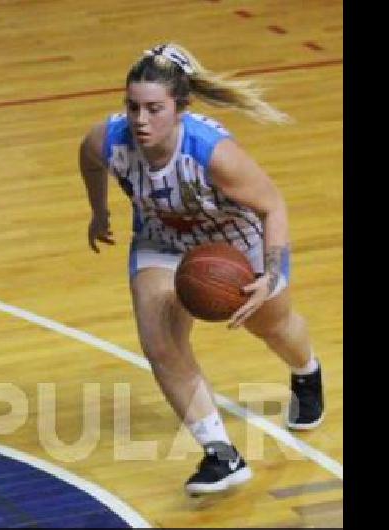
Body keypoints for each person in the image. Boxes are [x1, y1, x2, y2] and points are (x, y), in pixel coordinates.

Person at [78, 43, 324, 495]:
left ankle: (307, 371)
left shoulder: (212, 152)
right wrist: (99, 213)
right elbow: (89, 159)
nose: (140, 120)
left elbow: (273, 206)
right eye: (132, 107)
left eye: (154, 109)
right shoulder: (108, 139)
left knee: (273, 326)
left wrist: (268, 276)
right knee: (160, 343)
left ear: (180, 108)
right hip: (162, 240)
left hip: (236, 242)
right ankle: (220, 454)